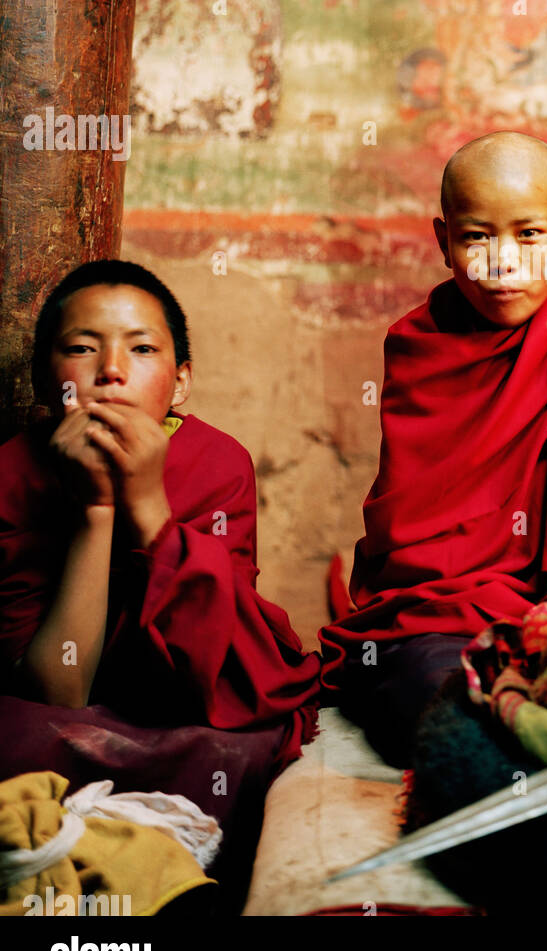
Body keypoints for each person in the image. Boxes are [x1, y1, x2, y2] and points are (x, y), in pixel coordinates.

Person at [0, 260, 320, 903]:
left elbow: (211, 667)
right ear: (43, 376)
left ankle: (151, 860)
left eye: (142, 349)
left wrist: (148, 504)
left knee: (246, 746)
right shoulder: (14, 469)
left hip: (179, 712)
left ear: (181, 383)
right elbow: (56, 689)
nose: (111, 369)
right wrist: (96, 510)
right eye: (82, 348)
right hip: (60, 721)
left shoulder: (218, 463)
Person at [320, 132, 547, 767]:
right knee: (433, 691)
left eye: (531, 235)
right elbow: (413, 541)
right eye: (477, 237)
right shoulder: (421, 346)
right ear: (443, 240)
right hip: (438, 622)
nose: (504, 263)